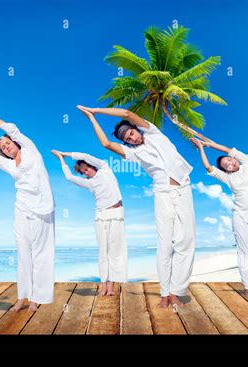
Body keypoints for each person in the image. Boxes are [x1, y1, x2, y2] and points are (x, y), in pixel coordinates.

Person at [77, 105, 195, 308]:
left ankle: (177, 291)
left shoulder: (153, 132)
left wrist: (95, 110)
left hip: (183, 188)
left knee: (186, 241)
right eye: (127, 139)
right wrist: (91, 119)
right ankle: (165, 293)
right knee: (165, 243)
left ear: (136, 129)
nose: (131, 139)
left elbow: (127, 114)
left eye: (131, 133)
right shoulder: (134, 153)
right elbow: (106, 143)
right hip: (162, 193)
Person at [0, 112, 55, 311]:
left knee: (41, 254)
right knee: (23, 253)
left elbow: (9, 127)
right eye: (3, 148)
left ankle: (36, 298)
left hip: (42, 208)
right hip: (21, 208)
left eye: (7, 143)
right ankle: (22, 297)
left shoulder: (31, 149)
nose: (6, 147)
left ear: (14, 141)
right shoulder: (8, 163)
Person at [191, 138, 248, 298]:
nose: (229, 163)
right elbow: (209, 168)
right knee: (243, 252)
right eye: (225, 165)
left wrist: (210, 144)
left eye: (229, 160)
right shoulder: (228, 178)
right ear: (226, 170)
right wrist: (201, 148)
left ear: (235, 159)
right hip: (241, 216)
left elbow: (228, 149)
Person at [52, 150, 127, 296]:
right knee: (103, 251)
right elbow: (69, 177)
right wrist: (61, 160)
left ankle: (111, 285)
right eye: (83, 172)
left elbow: (86, 156)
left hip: (116, 214)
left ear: (93, 166)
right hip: (100, 215)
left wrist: (65, 153)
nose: (86, 172)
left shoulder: (105, 169)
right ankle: (103, 284)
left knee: (115, 250)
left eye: (87, 169)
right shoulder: (89, 183)